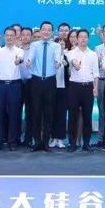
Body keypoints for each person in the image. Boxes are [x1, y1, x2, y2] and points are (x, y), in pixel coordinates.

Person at [25, 21, 62, 152]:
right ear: (40, 31)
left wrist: (58, 63)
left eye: (49, 30)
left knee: (48, 113)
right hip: (36, 82)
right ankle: (37, 141)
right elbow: (31, 56)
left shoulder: (56, 46)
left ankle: (45, 142)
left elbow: (57, 58)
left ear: (52, 32)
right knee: (36, 112)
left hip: (50, 82)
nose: (46, 31)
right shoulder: (34, 45)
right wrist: (28, 61)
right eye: (44, 29)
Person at [0, 27, 25, 151]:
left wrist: (18, 60)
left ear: (15, 37)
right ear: (4, 37)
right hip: (0, 85)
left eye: (11, 35)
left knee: (14, 113)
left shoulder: (19, 50)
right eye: (7, 35)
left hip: (15, 85)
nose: (9, 37)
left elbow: (20, 59)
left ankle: (12, 141)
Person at [65, 29, 99, 152]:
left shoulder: (93, 54)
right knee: (73, 116)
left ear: (88, 39)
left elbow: (96, 73)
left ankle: (86, 143)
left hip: (88, 87)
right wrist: (76, 65)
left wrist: (96, 88)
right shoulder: (71, 53)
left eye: (85, 37)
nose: (83, 39)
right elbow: (73, 61)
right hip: (74, 87)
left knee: (87, 116)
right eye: (81, 37)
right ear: (77, 39)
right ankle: (72, 143)